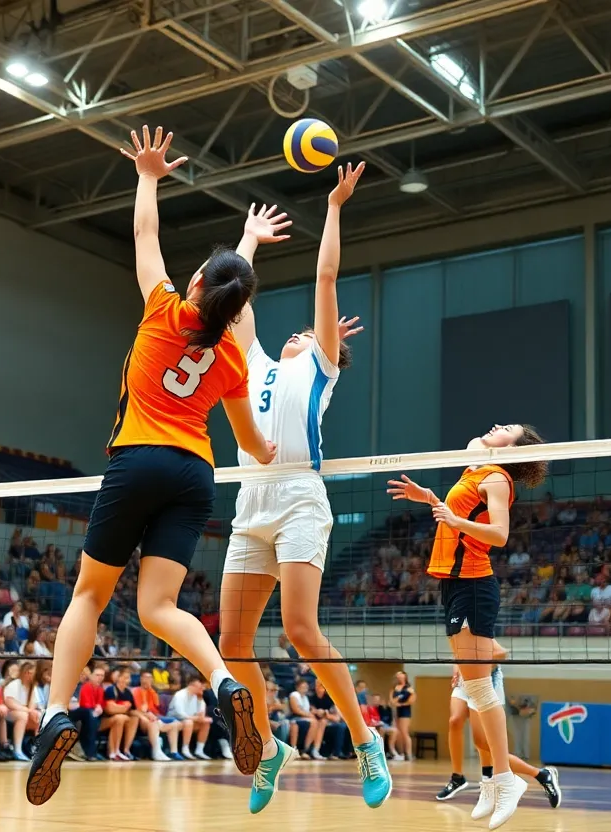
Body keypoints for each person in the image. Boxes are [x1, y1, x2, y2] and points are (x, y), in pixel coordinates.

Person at [26, 125, 276, 806]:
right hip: (195, 476)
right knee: (160, 606)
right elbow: (254, 446)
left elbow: (145, 237)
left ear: (195, 284)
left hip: (137, 462)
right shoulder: (229, 359)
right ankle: (224, 681)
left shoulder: (163, 310)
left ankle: (54, 713)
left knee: (88, 595)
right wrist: (270, 453)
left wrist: (147, 175)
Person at [217, 163, 390, 813]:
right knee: (233, 644)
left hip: (296, 499)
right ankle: (267, 750)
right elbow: (231, 296)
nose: (297, 331)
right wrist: (250, 237)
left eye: (310, 332)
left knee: (300, 629)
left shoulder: (318, 366)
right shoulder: (254, 359)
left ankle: (366, 740)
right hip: (248, 502)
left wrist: (335, 204)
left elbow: (324, 277)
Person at [390, 423, 548, 830]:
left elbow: (499, 534)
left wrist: (454, 521)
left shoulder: (495, 477)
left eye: (508, 429)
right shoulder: (477, 470)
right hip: (454, 584)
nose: (497, 426)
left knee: (479, 689)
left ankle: (504, 778)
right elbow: (457, 496)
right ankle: (494, 783)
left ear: (513, 448)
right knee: (476, 690)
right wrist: (428, 498)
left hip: (476, 585)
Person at [437, 665, 561, 816]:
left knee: (483, 743)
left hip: (484, 678)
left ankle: (541, 774)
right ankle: (457, 777)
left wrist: (478, 674)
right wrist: (457, 666)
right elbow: (457, 646)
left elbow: (496, 654)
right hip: (465, 676)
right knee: (455, 721)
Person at [390, 671, 415, 762]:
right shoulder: (394, 688)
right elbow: (392, 701)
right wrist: (398, 700)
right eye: (398, 676)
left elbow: (412, 700)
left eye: (401, 675)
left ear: (405, 676)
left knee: (404, 732)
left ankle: (408, 753)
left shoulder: (409, 688)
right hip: (396, 712)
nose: (399, 677)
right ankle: (401, 753)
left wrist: (401, 703)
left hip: (405, 712)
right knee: (398, 733)